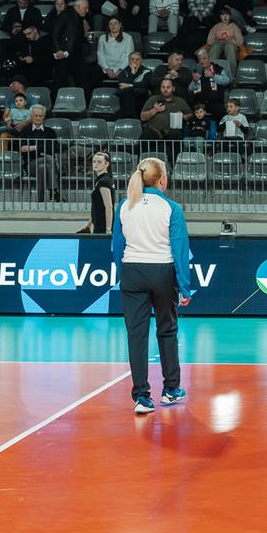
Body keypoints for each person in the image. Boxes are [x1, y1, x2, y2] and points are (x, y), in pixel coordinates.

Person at [111, 157, 192, 415]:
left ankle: (142, 397)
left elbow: (117, 246)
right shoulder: (171, 208)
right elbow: (180, 249)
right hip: (162, 272)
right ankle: (171, 389)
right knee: (167, 330)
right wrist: (184, 286)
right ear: (162, 180)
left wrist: (124, 274)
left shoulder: (124, 206)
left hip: (133, 271)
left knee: (136, 335)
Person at [81, 151, 115, 234]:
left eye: (99, 162)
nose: (96, 164)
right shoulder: (101, 180)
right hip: (98, 224)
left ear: (106, 164)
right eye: (94, 162)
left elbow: (109, 207)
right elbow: (98, 206)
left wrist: (108, 229)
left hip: (102, 226)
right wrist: (89, 225)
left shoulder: (103, 181)